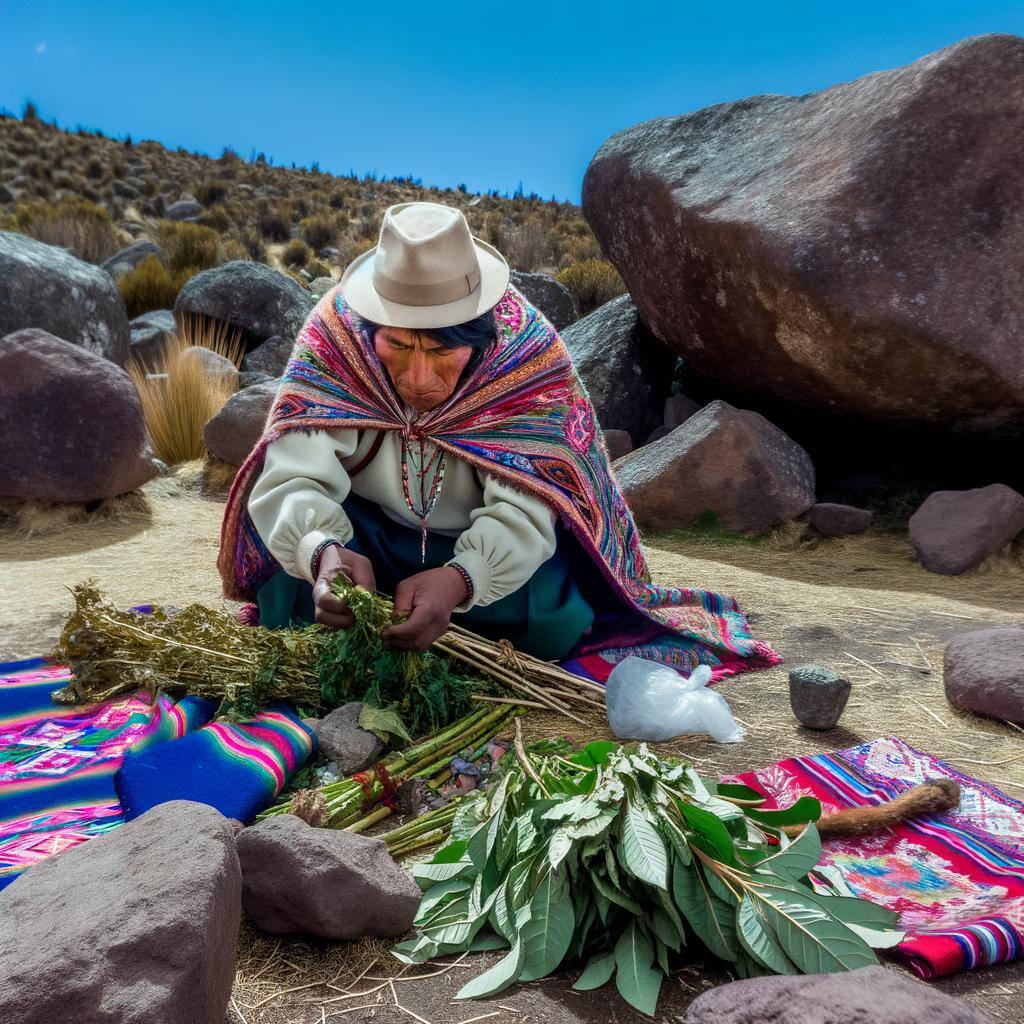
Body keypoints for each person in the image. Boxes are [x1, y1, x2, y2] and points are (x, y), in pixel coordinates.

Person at [218, 201, 780, 679]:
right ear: (371, 329)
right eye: (398, 346)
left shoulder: (526, 353)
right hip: (366, 542)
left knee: (555, 611)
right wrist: (322, 550)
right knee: (285, 582)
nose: (418, 379)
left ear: (480, 333)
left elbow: (532, 501)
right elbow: (294, 474)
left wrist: (463, 579)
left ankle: (454, 609)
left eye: (442, 352)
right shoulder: (336, 338)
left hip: (478, 549)